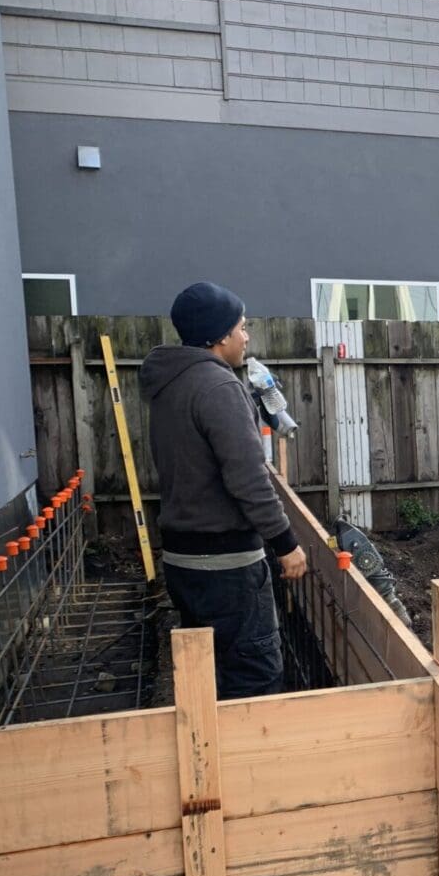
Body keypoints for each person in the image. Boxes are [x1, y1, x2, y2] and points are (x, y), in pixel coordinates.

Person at [140, 282, 308, 698]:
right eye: (242, 327)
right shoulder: (218, 388)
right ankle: (252, 762)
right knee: (254, 679)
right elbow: (249, 479)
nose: (246, 336)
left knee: (206, 677)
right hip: (227, 566)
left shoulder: (169, 385)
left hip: (183, 560)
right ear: (219, 337)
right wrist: (286, 544)